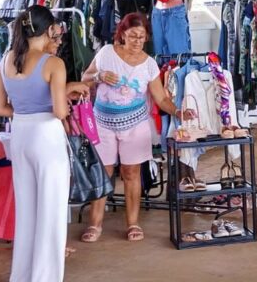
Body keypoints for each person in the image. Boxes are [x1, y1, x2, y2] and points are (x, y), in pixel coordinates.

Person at [0, 6, 88, 282]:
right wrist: (67, 89)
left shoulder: (7, 59)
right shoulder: (52, 63)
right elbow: (59, 111)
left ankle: (21, 279)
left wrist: (26, 109)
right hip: (46, 136)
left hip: (20, 133)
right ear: (48, 31)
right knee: (52, 211)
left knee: (28, 209)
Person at [81, 13, 191, 243]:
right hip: (103, 123)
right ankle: (95, 224)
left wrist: (178, 112)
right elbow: (85, 79)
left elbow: (160, 98)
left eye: (142, 37)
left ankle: (133, 224)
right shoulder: (106, 53)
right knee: (103, 173)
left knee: (131, 173)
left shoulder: (149, 64)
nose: (137, 41)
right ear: (122, 34)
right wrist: (99, 76)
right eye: (132, 36)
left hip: (134, 125)